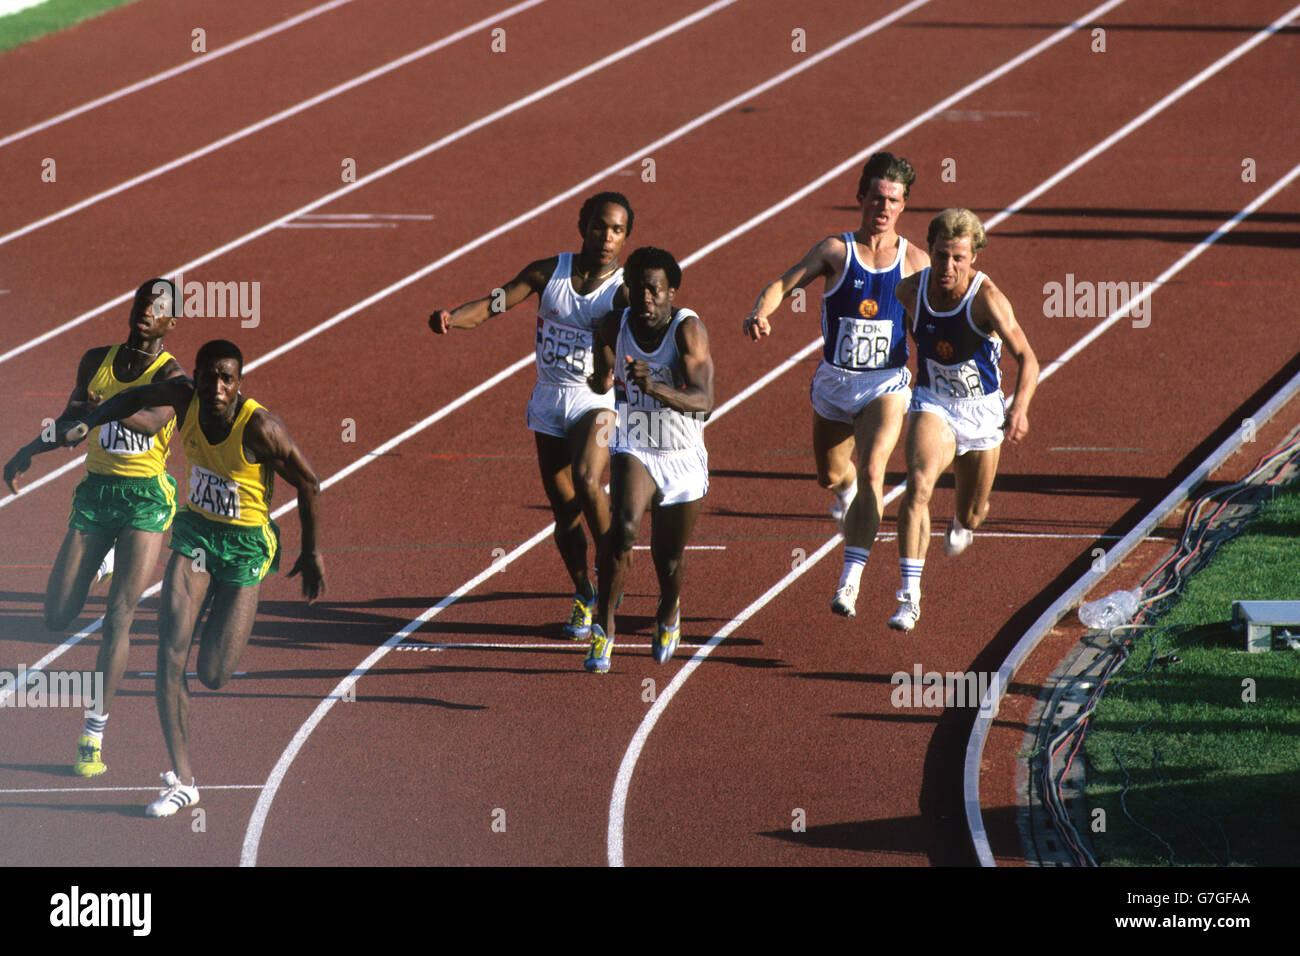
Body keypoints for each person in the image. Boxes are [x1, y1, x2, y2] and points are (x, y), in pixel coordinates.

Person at [60, 339, 325, 816]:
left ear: (240, 383)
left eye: (227, 378)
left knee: (214, 674)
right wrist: (91, 420)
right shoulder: (182, 396)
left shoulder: (262, 427)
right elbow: (130, 399)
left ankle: (221, 619)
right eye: (210, 376)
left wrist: (311, 552)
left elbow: (308, 482)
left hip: (245, 546)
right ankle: (183, 780)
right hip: (197, 536)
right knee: (169, 653)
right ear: (197, 376)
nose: (217, 387)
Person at [428, 193, 633, 640]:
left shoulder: (621, 292)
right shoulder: (547, 272)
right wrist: (452, 318)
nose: (607, 238)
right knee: (564, 515)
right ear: (583, 226)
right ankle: (585, 593)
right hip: (548, 400)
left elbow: (641, 338)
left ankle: (611, 559)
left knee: (586, 480)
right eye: (600, 226)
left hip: (592, 402)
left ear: (625, 238)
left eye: (617, 230)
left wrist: (615, 364)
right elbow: (493, 303)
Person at [4, 278, 185, 778]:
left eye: (158, 307)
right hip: (96, 495)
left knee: (118, 619)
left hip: (145, 499)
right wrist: (29, 450)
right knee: (57, 615)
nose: (146, 311)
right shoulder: (95, 361)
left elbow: (148, 421)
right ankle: (105, 559)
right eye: (141, 302)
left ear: (172, 323)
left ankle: (92, 734)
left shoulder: (174, 378)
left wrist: (100, 416)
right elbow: (68, 421)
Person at [743, 152, 928, 618]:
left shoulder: (915, 263)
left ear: (904, 206)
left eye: (894, 200)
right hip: (834, 383)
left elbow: (935, 324)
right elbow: (783, 284)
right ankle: (844, 494)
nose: (883, 208)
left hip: (886, 383)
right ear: (861, 197)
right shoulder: (835, 251)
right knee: (831, 474)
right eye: (877, 197)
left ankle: (850, 580)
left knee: (873, 471)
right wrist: (761, 312)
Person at [887, 208, 1039, 631]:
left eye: (958, 258)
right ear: (930, 252)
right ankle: (909, 597)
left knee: (971, 515)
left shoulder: (987, 298)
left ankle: (961, 520)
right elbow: (906, 330)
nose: (948, 267)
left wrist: (1020, 406)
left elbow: (1028, 358)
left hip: (983, 411)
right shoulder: (909, 291)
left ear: (974, 258)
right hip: (934, 401)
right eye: (940, 256)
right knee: (917, 485)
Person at [583, 247, 714, 674]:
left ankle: (669, 608)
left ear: (671, 291)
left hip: (681, 455)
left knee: (668, 556)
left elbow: (705, 402)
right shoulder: (615, 323)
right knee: (621, 530)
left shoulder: (687, 330)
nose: (646, 297)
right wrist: (604, 374)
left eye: (655, 289)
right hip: (633, 443)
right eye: (638, 287)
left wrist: (655, 387)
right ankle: (604, 627)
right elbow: (600, 338)